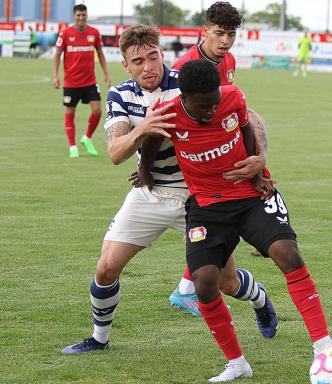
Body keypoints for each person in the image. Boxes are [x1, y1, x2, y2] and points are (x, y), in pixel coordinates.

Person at [60, 24, 277, 355]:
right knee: (105, 268)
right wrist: (142, 129)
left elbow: (248, 115)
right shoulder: (121, 95)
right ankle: (98, 339)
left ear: (163, 54)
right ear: (126, 65)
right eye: (137, 61)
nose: (147, 67)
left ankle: (259, 298)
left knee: (226, 282)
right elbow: (116, 153)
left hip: (198, 197)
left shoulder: (185, 83)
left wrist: (259, 159)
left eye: (153, 57)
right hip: (149, 193)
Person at [159, 59, 332, 382]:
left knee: (288, 254)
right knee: (204, 281)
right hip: (207, 206)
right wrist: (145, 174)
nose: (213, 112)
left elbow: (246, 131)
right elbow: (147, 144)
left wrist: (257, 169)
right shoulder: (169, 114)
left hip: (249, 196)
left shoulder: (233, 97)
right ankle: (237, 364)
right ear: (185, 98)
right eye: (205, 107)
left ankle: (324, 344)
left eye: (215, 103)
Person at [164, 1, 269, 310]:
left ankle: (187, 287)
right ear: (205, 30)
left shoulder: (230, 61)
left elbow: (232, 112)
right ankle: (188, 288)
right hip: (197, 162)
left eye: (232, 34)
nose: (225, 41)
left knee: (227, 224)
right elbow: (169, 119)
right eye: (220, 33)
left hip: (225, 155)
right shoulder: (182, 68)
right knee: (222, 225)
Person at [52, 4, 111, 158]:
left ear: (87, 15)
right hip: (71, 82)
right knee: (70, 112)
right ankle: (72, 146)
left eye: (83, 15)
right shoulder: (65, 33)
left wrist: (106, 73)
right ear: (74, 16)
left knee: (98, 110)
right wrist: (55, 76)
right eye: (78, 15)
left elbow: (100, 53)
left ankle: (87, 138)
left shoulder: (94, 33)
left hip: (90, 81)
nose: (81, 18)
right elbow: (57, 54)